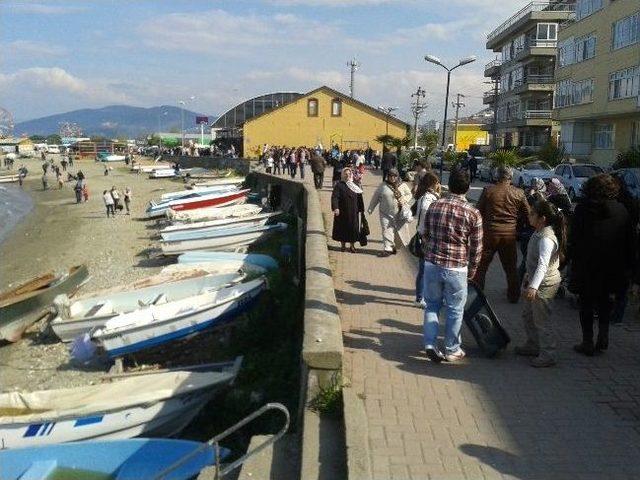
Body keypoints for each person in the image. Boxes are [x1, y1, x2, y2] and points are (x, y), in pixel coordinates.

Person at [422, 169, 483, 363]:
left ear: (449, 185)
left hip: (432, 263)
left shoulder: (434, 205)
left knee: (432, 305)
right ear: (468, 187)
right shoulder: (473, 212)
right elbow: (477, 246)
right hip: (457, 267)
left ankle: (430, 344)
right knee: (455, 310)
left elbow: (425, 234)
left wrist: (430, 251)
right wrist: (473, 270)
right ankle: (451, 348)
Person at [569, 174, 633, 356]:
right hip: (613, 266)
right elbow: (630, 241)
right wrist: (630, 269)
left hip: (587, 265)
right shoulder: (622, 210)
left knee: (586, 304)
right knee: (606, 303)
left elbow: (574, 238)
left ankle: (587, 341)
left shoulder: (582, 209)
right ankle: (603, 337)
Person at [516, 200, 567, 367]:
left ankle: (548, 354)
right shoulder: (538, 232)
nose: (529, 216)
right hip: (535, 280)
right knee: (527, 315)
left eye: (532, 214)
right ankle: (533, 344)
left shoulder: (547, 238)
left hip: (544, 284)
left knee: (541, 320)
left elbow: (543, 264)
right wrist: (527, 276)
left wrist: (534, 286)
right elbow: (532, 261)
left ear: (542, 218)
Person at [473, 165, 530, 303]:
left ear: (497, 176)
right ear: (510, 177)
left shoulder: (488, 191)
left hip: (489, 234)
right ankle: (513, 296)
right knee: (511, 268)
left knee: (481, 267)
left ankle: (477, 295)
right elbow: (528, 214)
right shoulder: (519, 193)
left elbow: (478, 212)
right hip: (509, 235)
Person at [368, 168, 414, 257]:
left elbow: (409, 195)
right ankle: (387, 248)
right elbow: (376, 197)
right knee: (386, 229)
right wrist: (371, 208)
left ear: (397, 176)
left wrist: (404, 200)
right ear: (387, 176)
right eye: (390, 176)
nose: (392, 178)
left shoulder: (403, 185)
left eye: (394, 176)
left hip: (400, 213)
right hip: (385, 212)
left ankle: (395, 247)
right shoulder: (383, 186)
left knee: (399, 232)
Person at [414, 171, 441, 307]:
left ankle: (421, 296)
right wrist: (427, 232)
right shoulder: (428, 198)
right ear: (433, 184)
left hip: (426, 235)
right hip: (426, 237)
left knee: (426, 269)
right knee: (424, 269)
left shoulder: (428, 196)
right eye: (437, 183)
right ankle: (420, 297)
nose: (439, 185)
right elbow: (424, 212)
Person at [331, 167, 364, 253]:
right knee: (343, 228)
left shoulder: (355, 185)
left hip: (353, 211)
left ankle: (352, 246)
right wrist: (336, 208)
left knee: (353, 228)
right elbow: (335, 197)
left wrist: (361, 209)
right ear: (342, 175)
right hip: (343, 211)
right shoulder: (339, 185)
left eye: (349, 174)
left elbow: (359, 197)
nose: (347, 175)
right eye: (345, 174)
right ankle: (343, 246)